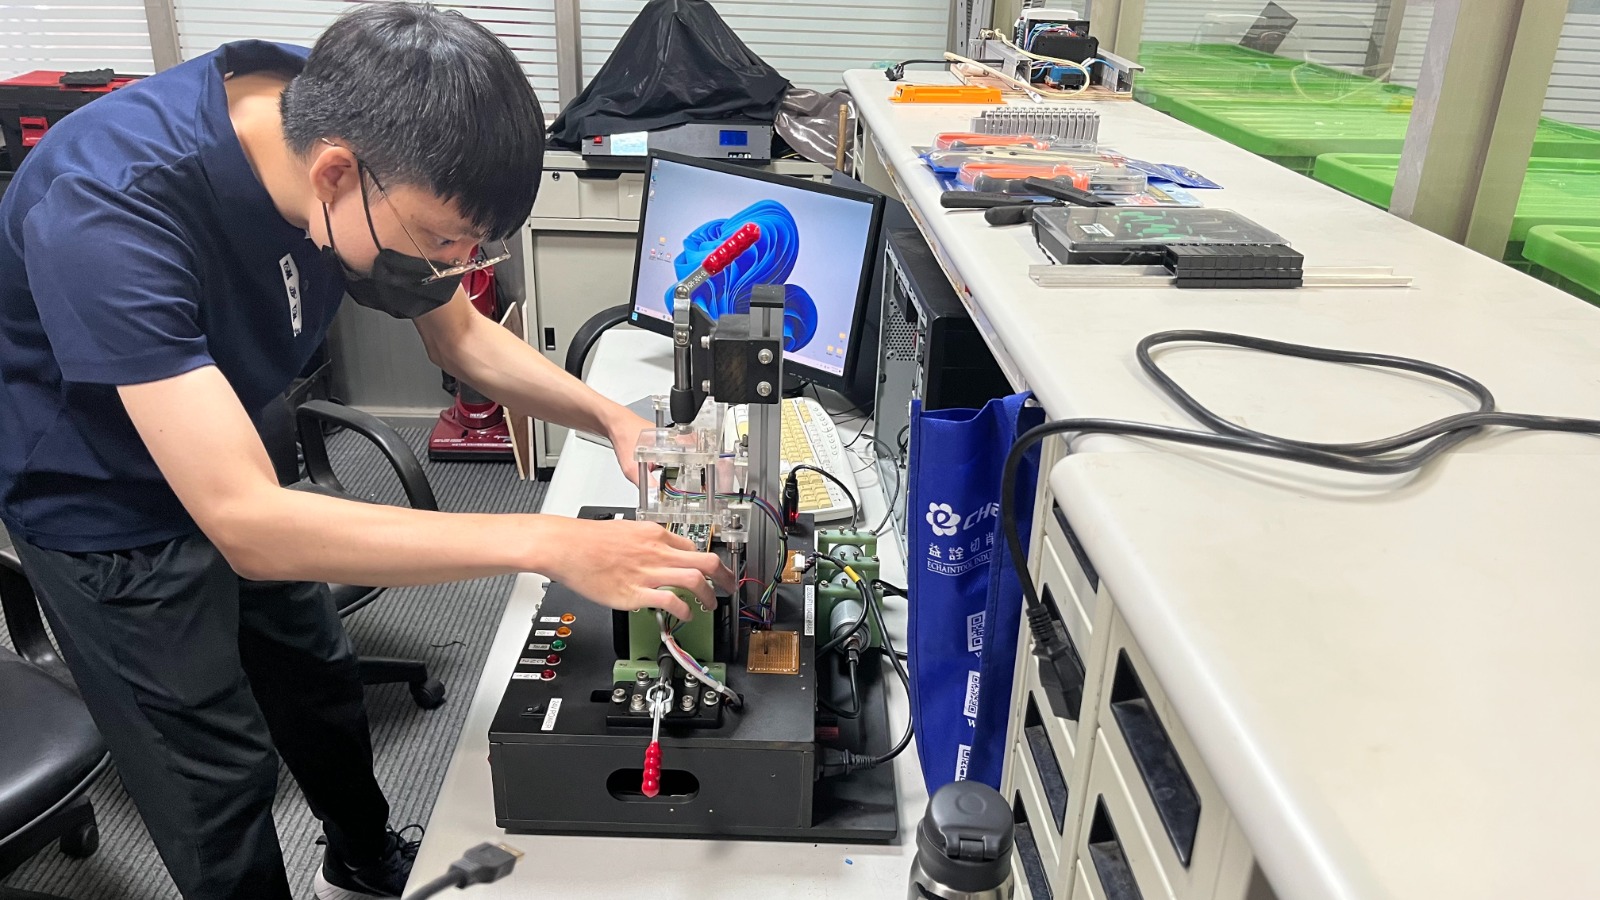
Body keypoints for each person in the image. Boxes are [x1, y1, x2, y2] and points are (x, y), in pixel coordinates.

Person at [0, 4, 729, 899]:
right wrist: (546, 542)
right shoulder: (108, 208)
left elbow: (461, 336)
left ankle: (360, 859)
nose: (456, 263)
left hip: (236, 444)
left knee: (318, 683)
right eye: (442, 240)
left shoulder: (361, 116)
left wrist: (612, 420)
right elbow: (248, 526)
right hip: (105, 504)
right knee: (213, 771)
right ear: (334, 174)